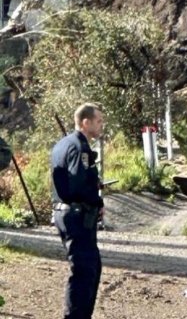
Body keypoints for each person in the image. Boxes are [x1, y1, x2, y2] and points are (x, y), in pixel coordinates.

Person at [51, 102, 105, 319]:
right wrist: (96, 201)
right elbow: (77, 183)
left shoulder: (63, 143)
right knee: (84, 271)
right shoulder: (78, 146)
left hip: (68, 212)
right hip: (76, 214)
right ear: (86, 122)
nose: (102, 125)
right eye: (99, 121)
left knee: (91, 267)